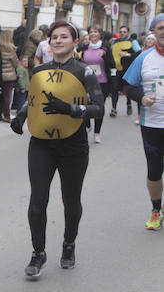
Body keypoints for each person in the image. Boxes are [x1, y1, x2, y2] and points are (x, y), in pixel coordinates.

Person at [10, 21, 103, 278]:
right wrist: (20, 117)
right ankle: (38, 253)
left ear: (75, 42)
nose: (58, 41)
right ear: (48, 43)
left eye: (64, 37)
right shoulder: (39, 70)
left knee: (70, 201)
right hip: (41, 144)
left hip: (73, 146)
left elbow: (98, 108)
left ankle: (69, 244)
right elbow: (33, 101)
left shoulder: (85, 73)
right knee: (37, 201)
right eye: (54, 37)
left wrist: (71, 109)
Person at [122, 14, 164, 230]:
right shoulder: (143, 57)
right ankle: (156, 209)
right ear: (153, 32)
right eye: (160, 28)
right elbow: (127, 86)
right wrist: (142, 98)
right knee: (155, 170)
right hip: (153, 124)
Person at [77, 26, 114, 144]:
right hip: (87, 81)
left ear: (100, 34)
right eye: (91, 32)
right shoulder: (84, 47)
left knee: (99, 107)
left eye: (95, 32)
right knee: (85, 103)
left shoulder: (106, 47)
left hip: (102, 82)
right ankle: (87, 125)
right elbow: (78, 62)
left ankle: (97, 133)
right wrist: (78, 57)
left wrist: (104, 56)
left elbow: (112, 64)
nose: (93, 34)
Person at [110, 26, 137, 118]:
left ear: (128, 33)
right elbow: (111, 52)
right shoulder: (115, 42)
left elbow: (139, 53)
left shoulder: (132, 42)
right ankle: (114, 109)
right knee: (114, 89)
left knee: (127, 89)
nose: (122, 33)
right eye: (121, 31)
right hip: (117, 69)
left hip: (128, 69)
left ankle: (129, 103)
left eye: (124, 32)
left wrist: (128, 54)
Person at [0, 28, 20, 121]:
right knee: (7, 96)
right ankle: (6, 115)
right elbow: (16, 64)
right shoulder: (11, 49)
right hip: (9, 76)